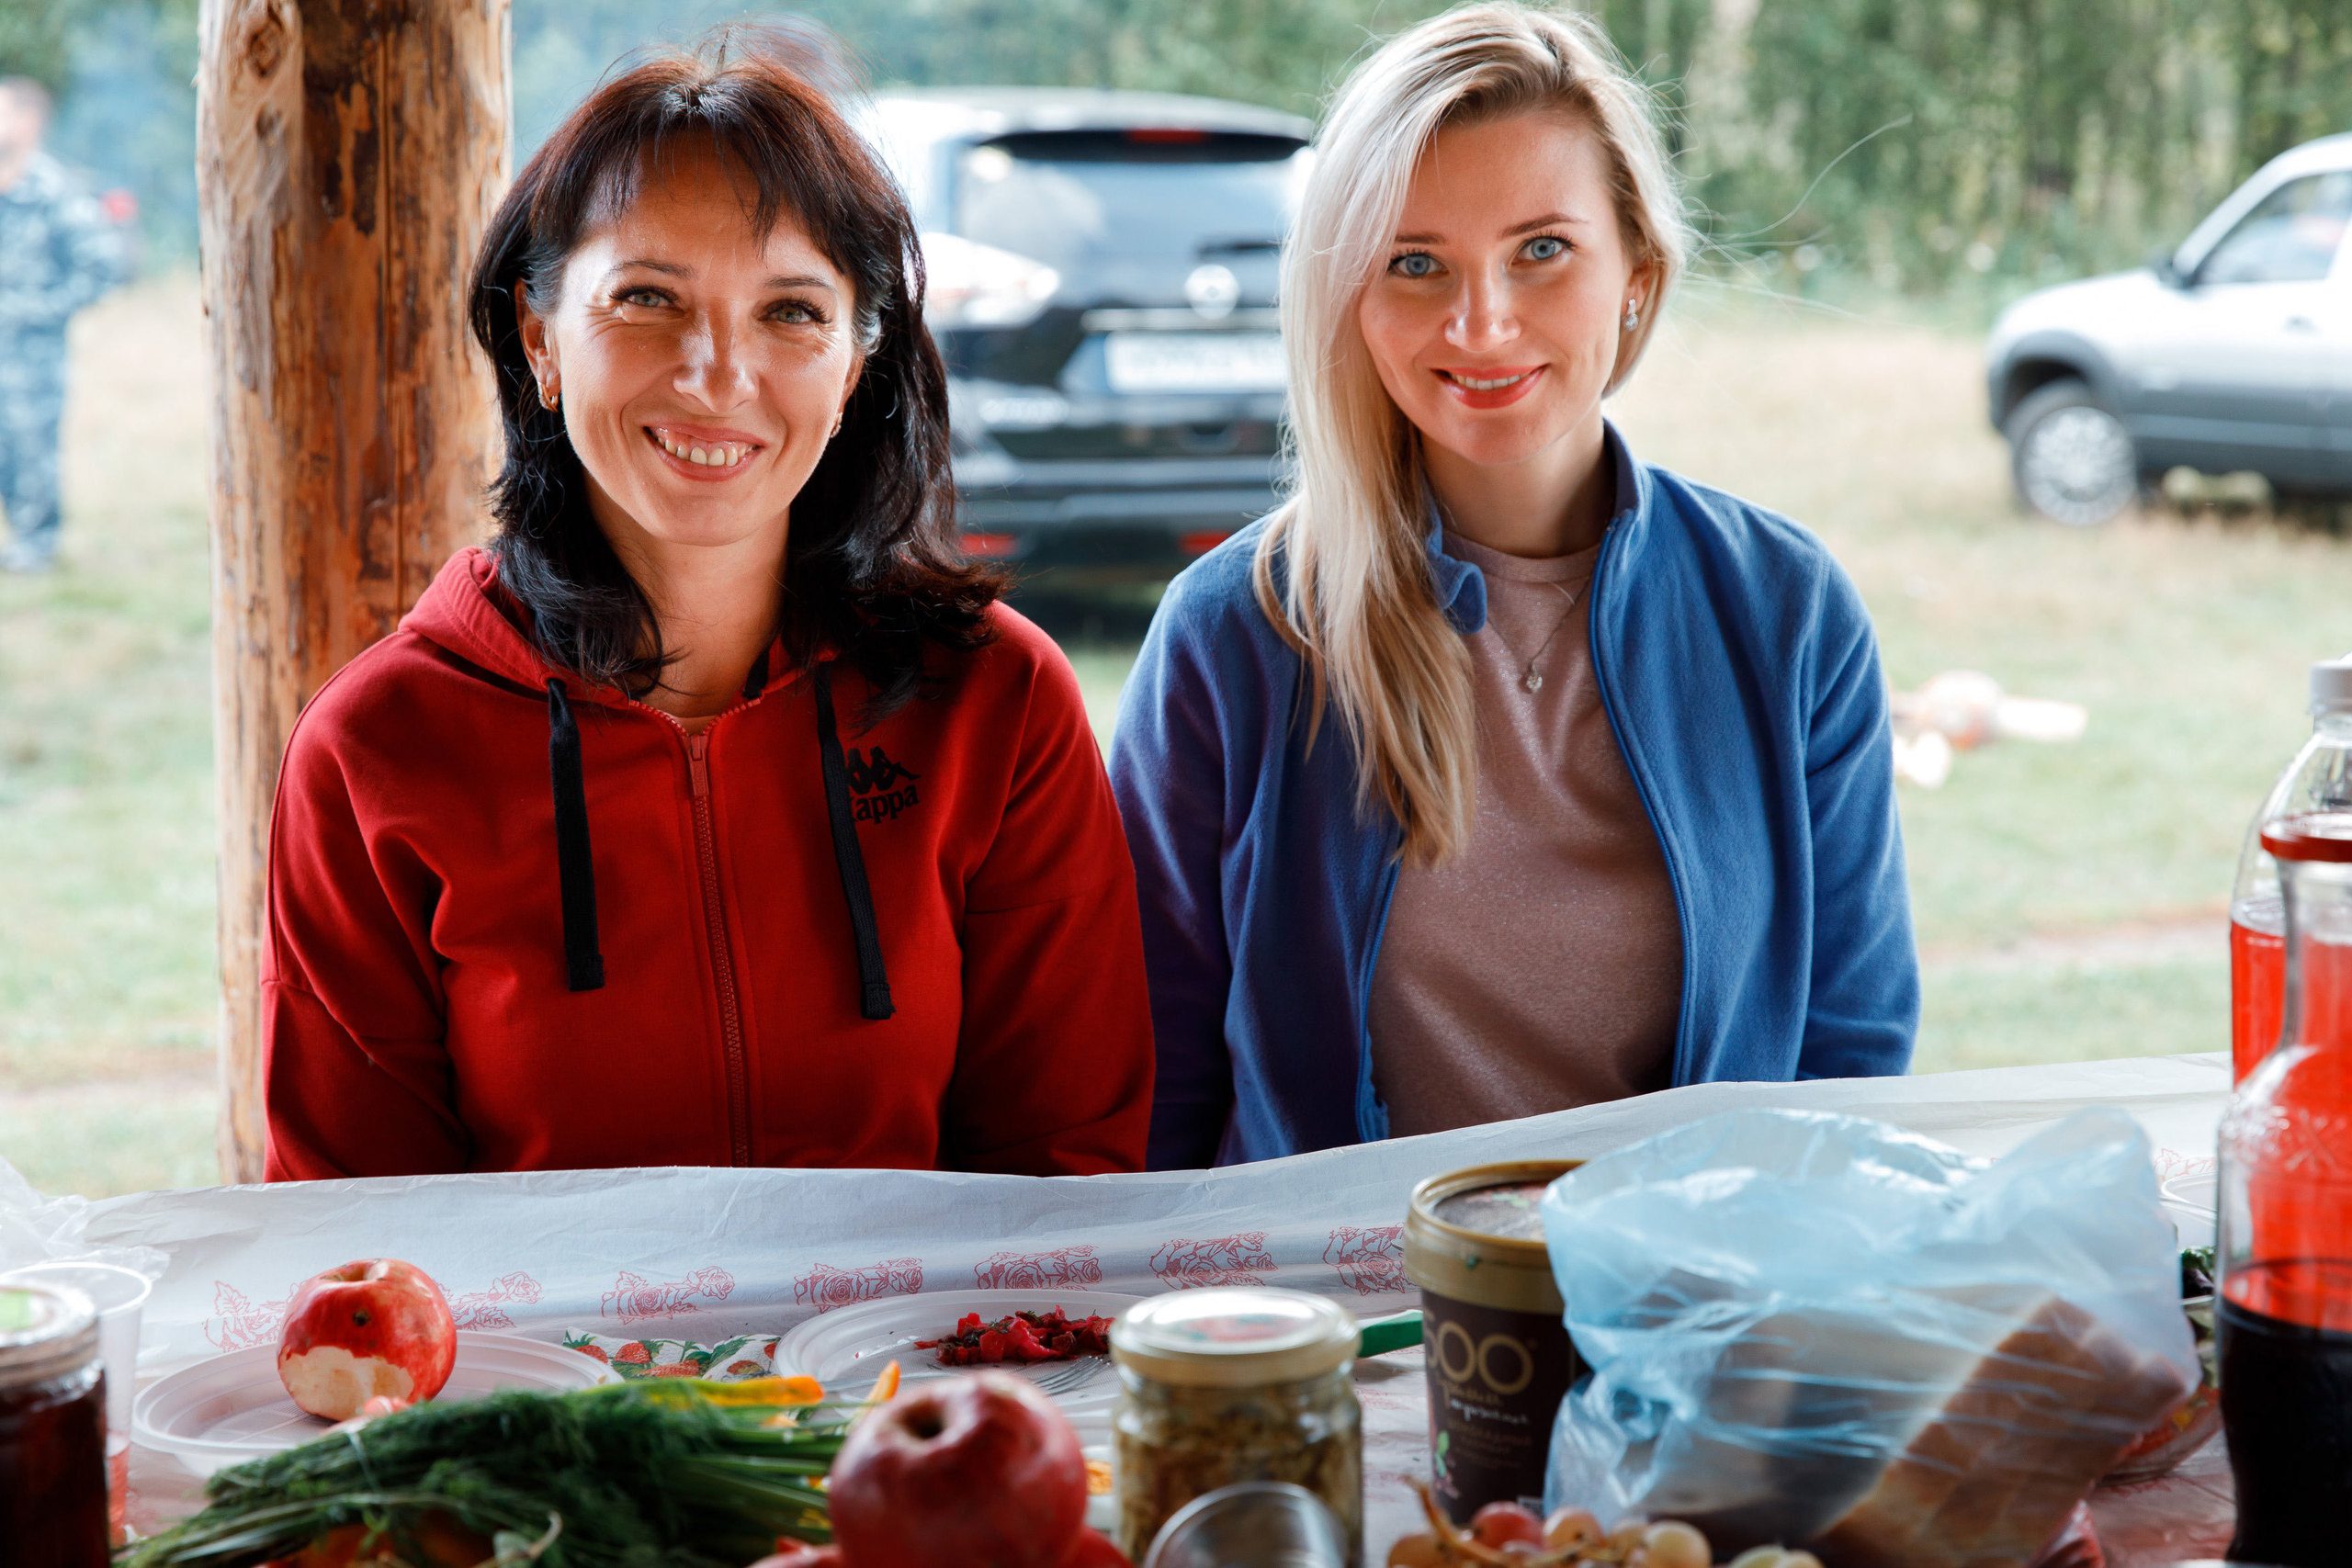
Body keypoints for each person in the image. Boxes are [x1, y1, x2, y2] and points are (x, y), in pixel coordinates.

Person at [262, 37, 1153, 1179]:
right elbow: (362, 1256)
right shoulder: (375, 746)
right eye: (646, 297)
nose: (715, 372)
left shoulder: (995, 700)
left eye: (790, 311)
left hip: (915, 1360)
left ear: (854, 367)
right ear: (538, 338)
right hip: (539, 1364)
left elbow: (1066, 1177)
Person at [1110, 1, 1917, 1169]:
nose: (1479, 324)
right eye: (1414, 263)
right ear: (1348, 297)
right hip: (1338, 1322)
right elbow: (1153, 1071)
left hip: (1688, 1299)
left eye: (1541, 249)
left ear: (1635, 272)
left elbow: (1850, 1047)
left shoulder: (1787, 612)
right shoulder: (1239, 629)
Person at [0, 76, 125, 575]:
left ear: (29, 121)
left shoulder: (53, 191)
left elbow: (102, 266)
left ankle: (36, 546)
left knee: (31, 445)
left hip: (31, 354)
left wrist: (37, 310)